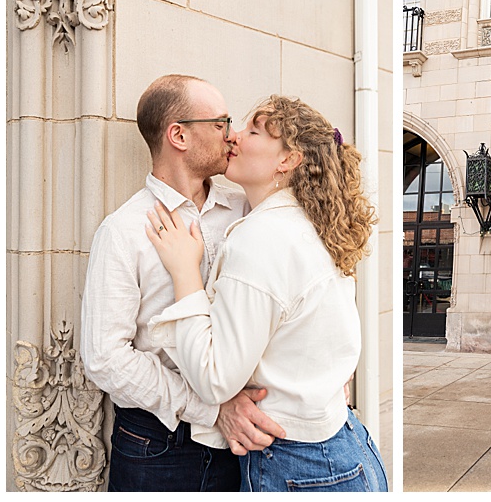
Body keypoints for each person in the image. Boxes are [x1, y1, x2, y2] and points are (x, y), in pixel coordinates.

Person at [144, 95, 389, 492]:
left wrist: (185, 272)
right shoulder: (310, 225)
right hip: (345, 448)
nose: (234, 136)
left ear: (287, 160)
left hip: (299, 465)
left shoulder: (263, 237)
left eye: (253, 130)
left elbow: (215, 379)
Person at [80, 75, 285, 492]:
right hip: (158, 447)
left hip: (245, 440)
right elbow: (105, 356)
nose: (232, 136)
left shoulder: (246, 208)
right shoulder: (123, 230)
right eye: (220, 123)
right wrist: (211, 408)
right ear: (178, 135)